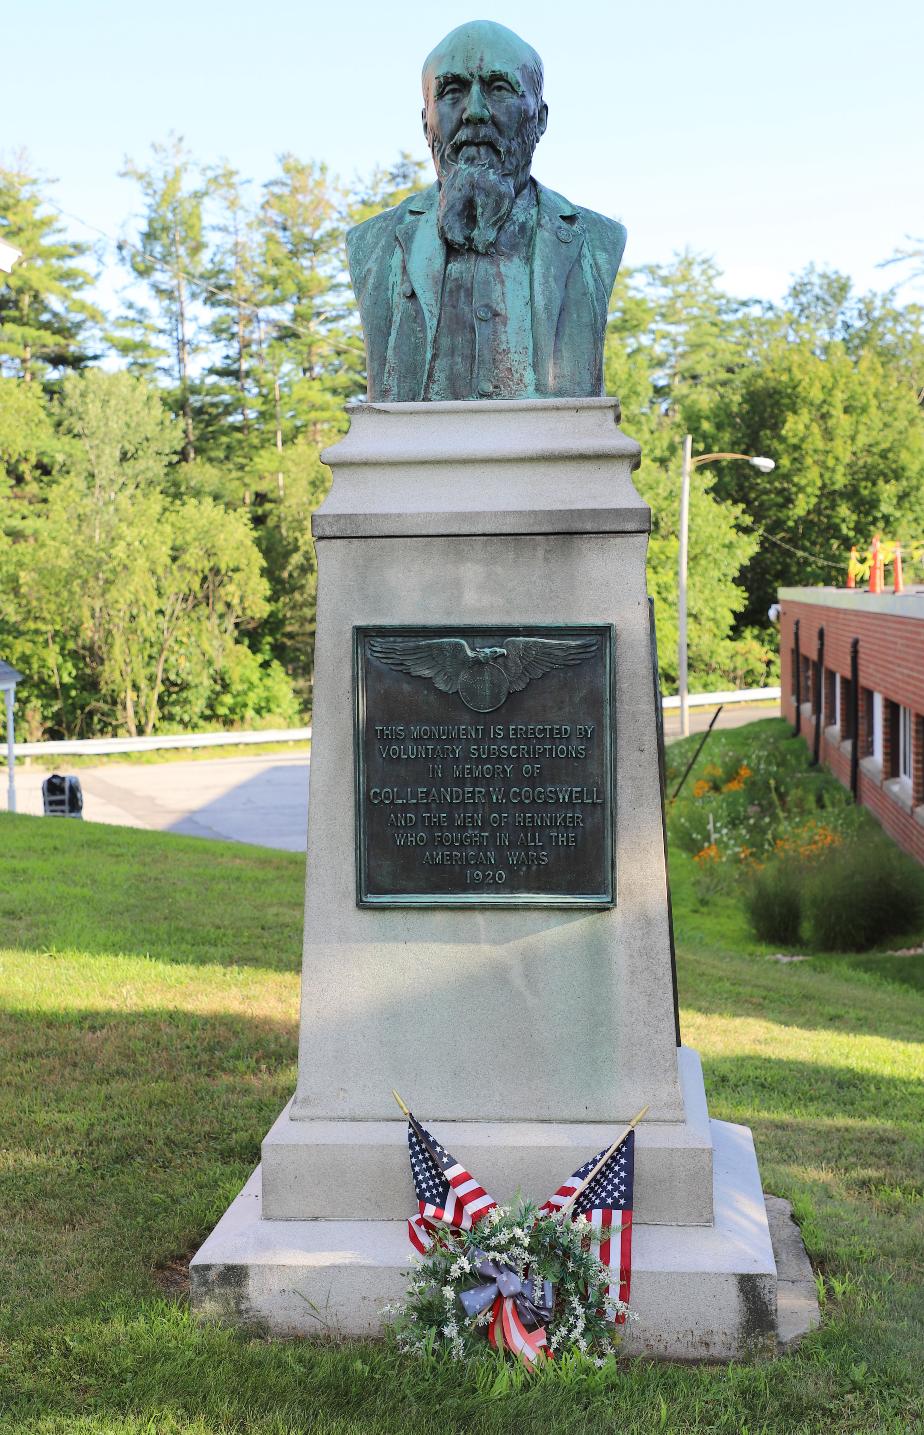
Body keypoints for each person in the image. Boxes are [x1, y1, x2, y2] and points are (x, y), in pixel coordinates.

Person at [347, 20, 627, 402]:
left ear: (540, 118)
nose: (474, 112)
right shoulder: (373, 246)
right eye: (452, 92)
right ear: (425, 121)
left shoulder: (596, 241)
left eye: (499, 89)